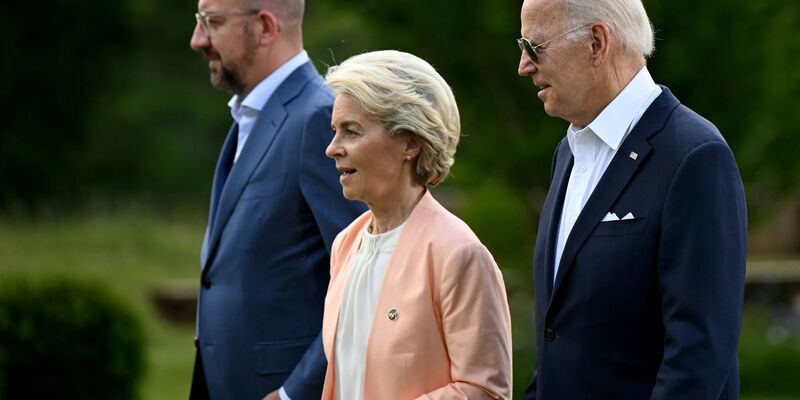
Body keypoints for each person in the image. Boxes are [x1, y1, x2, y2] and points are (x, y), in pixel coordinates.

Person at [516, 0, 748, 398]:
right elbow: (559, 338)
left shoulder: (694, 155)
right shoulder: (568, 152)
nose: (524, 65)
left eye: (535, 47)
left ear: (596, 43)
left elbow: (697, 359)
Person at [188, 0, 366, 398]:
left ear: (265, 27)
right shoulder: (251, 115)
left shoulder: (320, 119)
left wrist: (294, 393)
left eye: (212, 22)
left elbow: (363, 280)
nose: (198, 39)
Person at [319, 50, 513, 400]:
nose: (333, 148)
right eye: (335, 131)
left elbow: (485, 390)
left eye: (351, 131)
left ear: (410, 142)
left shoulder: (458, 254)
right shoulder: (345, 245)